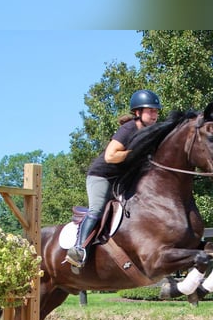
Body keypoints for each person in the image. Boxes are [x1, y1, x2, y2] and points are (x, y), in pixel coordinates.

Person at [65, 89, 161, 268]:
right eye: (151, 110)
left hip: (121, 180)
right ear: (138, 112)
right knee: (97, 209)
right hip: (101, 176)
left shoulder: (150, 132)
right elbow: (110, 156)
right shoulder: (128, 129)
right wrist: (134, 153)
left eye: (156, 111)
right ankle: (78, 249)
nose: (155, 114)